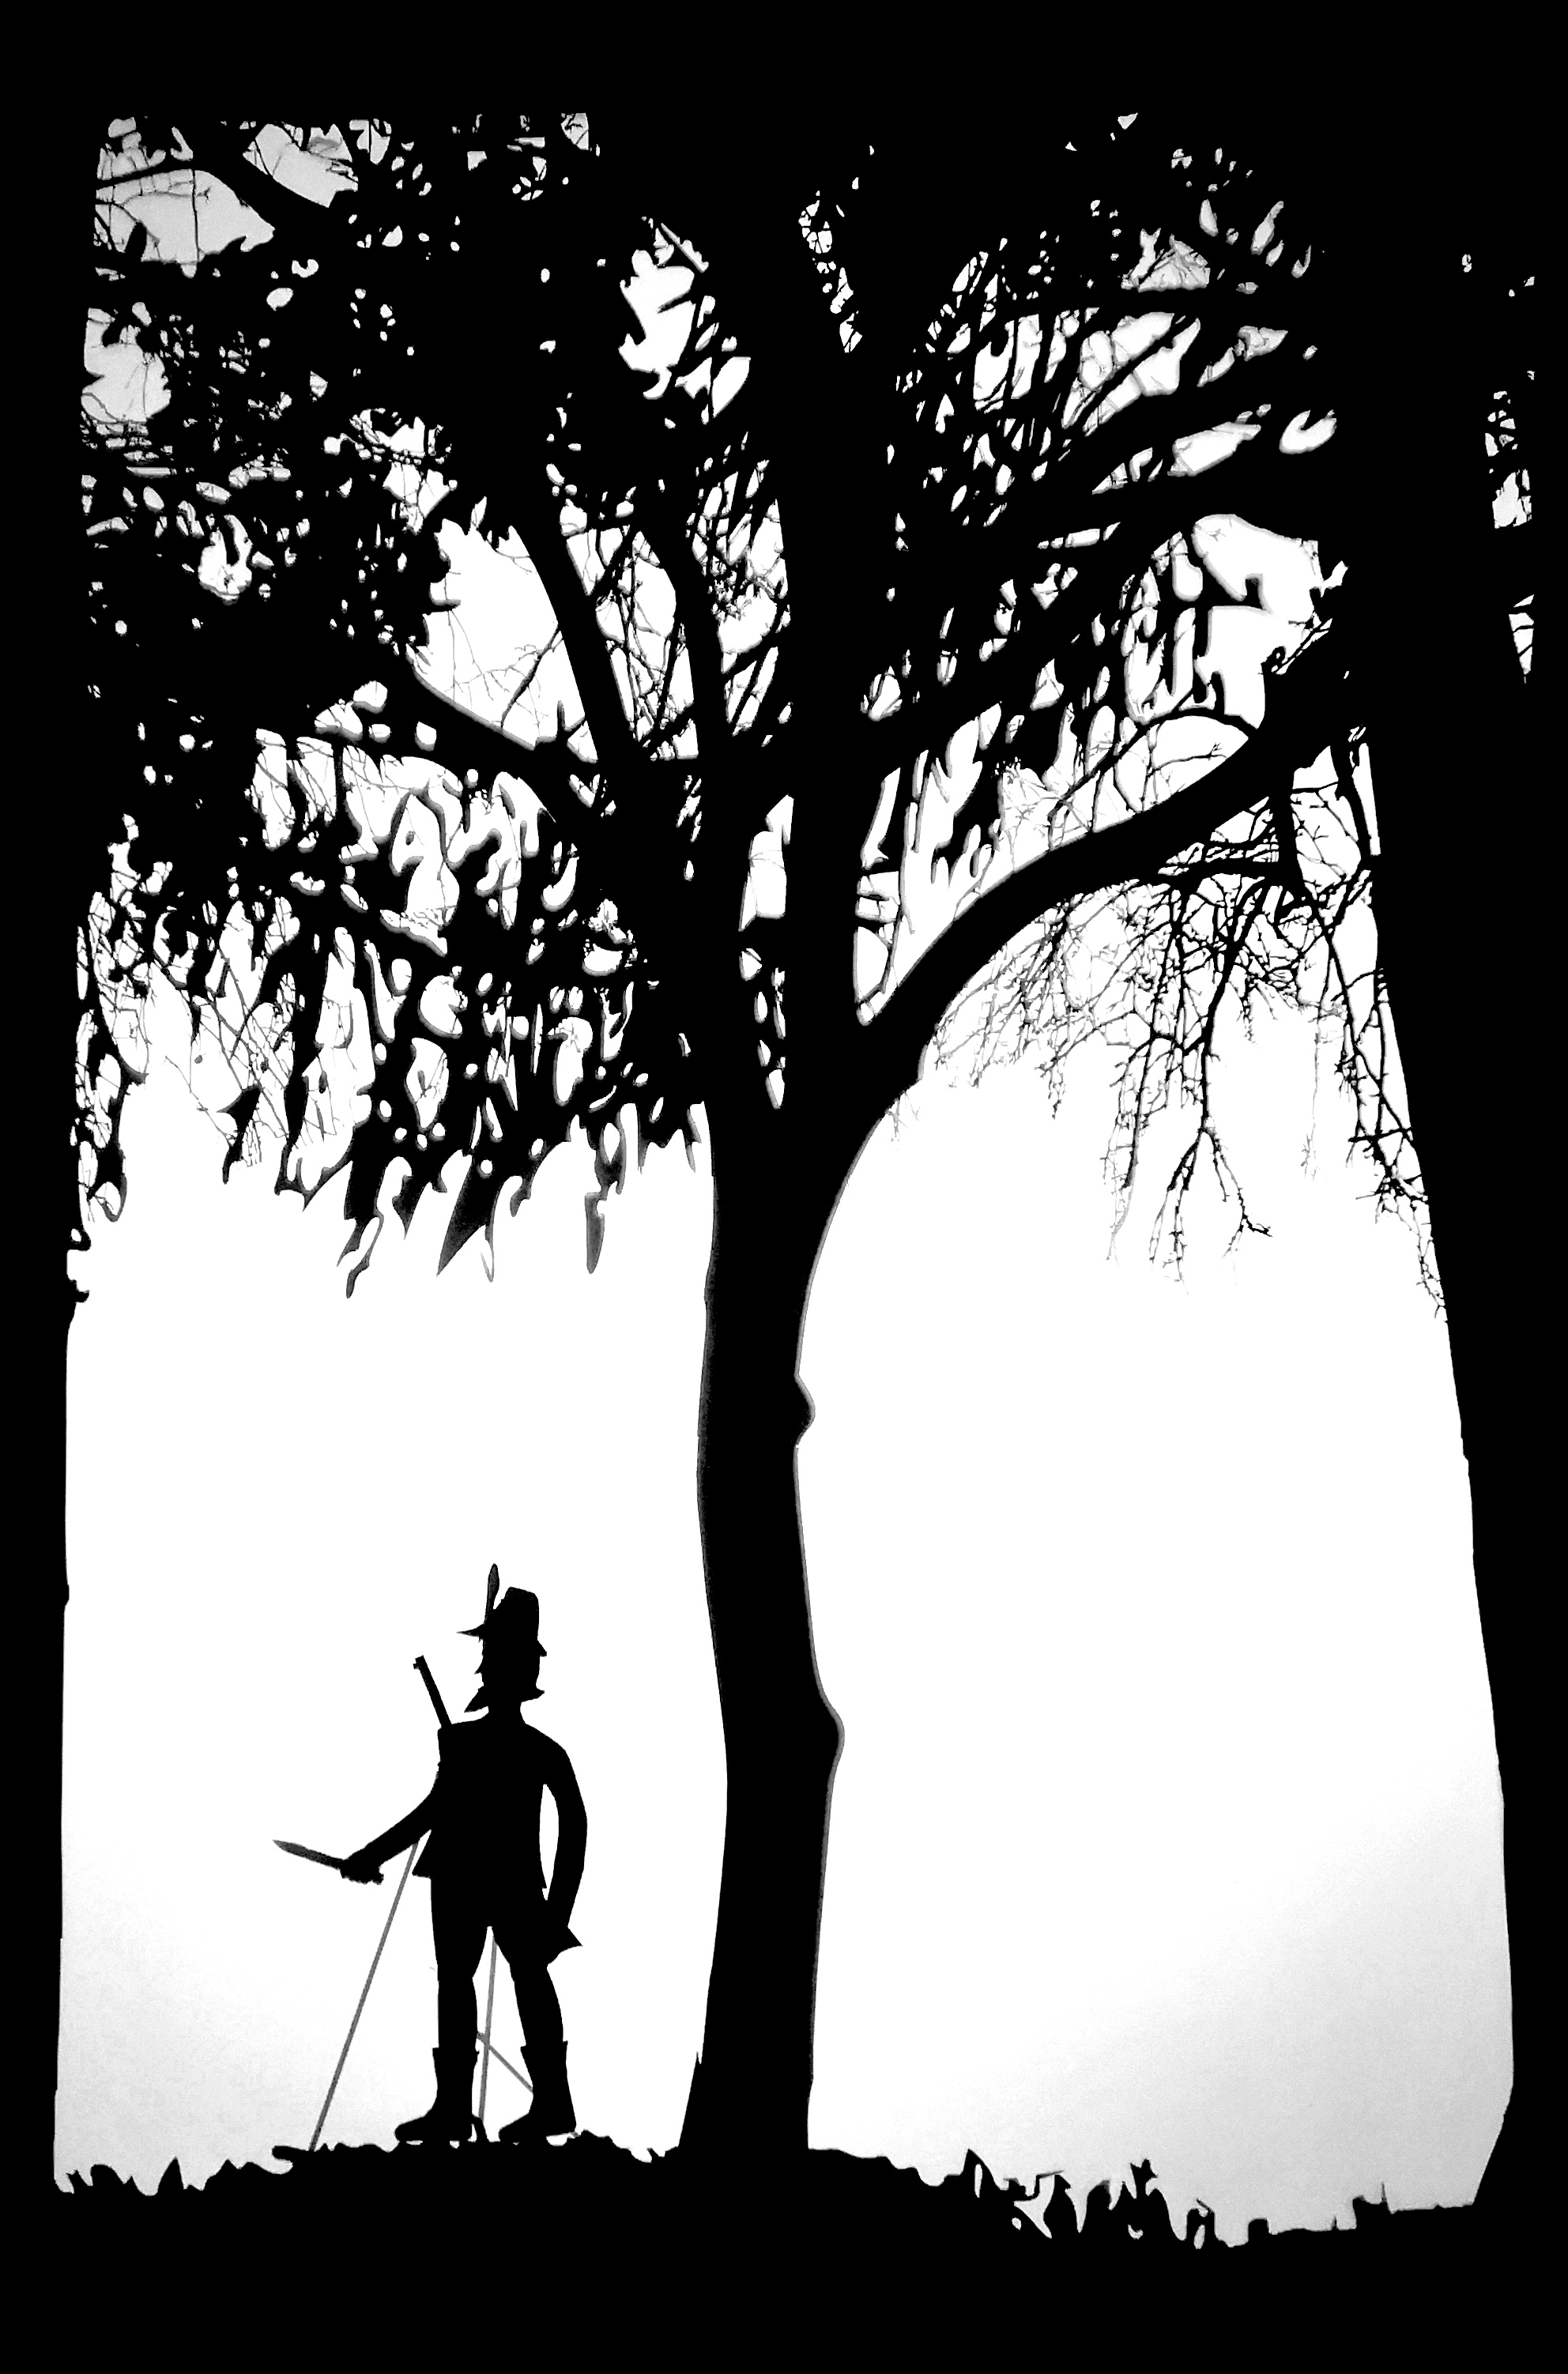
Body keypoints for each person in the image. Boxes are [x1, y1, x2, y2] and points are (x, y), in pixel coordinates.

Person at [341, 1585, 586, 2146]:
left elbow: (574, 1827)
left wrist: (559, 1912)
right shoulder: (468, 1744)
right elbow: (435, 1809)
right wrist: (373, 1854)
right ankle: (456, 2104)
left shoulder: (536, 1751)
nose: (490, 1666)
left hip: (503, 1877)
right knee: (459, 1979)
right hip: (458, 1872)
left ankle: (547, 2099)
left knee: (520, 1974)